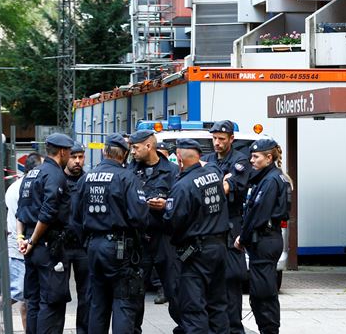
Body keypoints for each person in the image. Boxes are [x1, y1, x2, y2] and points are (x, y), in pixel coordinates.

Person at [70, 133, 150, 334]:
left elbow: (74, 217)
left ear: (104, 152)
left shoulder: (86, 178)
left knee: (98, 303)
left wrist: (87, 241)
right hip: (119, 248)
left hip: (94, 247)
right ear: (123, 156)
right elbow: (139, 217)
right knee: (123, 301)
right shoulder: (127, 178)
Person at [165, 138, 231, 332]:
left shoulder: (182, 186)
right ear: (199, 157)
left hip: (196, 253)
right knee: (218, 304)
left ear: (179, 159)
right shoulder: (213, 174)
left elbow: (172, 222)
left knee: (193, 308)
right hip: (219, 247)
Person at [16, 133, 74, 334]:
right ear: (62, 152)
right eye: (69, 152)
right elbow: (48, 213)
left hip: (32, 247)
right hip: (48, 247)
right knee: (52, 303)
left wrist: (21, 238)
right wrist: (31, 241)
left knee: (33, 301)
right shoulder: (55, 174)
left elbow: (21, 211)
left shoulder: (31, 174)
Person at [234, 138, 292, 334]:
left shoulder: (271, 181)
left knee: (264, 294)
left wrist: (242, 238)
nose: (252, 160)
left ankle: (269, 330)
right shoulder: (268, 178)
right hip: (266, 240)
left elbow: (258, 214)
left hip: (265, 240)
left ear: (269, 158)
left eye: (256, 156)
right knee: (260, 292)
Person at [128, 129, 182, 331]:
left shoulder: (173, 171)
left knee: (175, 289)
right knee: (134, 292)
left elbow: (183, 204)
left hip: (165, 239)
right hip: (139, 239)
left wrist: (166, 204)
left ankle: (184, 327)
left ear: (148, 146)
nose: (132, 152)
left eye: (135, 147)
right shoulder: (129, 171)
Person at [203, 120, 251, 333]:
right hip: (210, 227)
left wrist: (217, 182)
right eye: (214, 139)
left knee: (231, 279)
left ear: (231, 139)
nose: (217, 143)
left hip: (231, 225)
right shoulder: (207, 159)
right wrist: (220, 181)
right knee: (210, 280)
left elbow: (227, 189)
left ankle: (234, 328)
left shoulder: (240, 161)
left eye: (222, 139)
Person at [6, 152, 43, 331]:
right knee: (21, 293)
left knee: (26, 297)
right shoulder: (25, 188)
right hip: (20, 248)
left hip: (19, 246)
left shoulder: (17, 186)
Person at [63, 143, 90, 334]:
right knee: (57, 294)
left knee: (87, 294)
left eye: (81, 157)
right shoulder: (56, 179)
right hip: (62, 245)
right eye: (74, 157)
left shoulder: (89, 180)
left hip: (83, 246)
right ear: (66, 156)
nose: (78, 161)